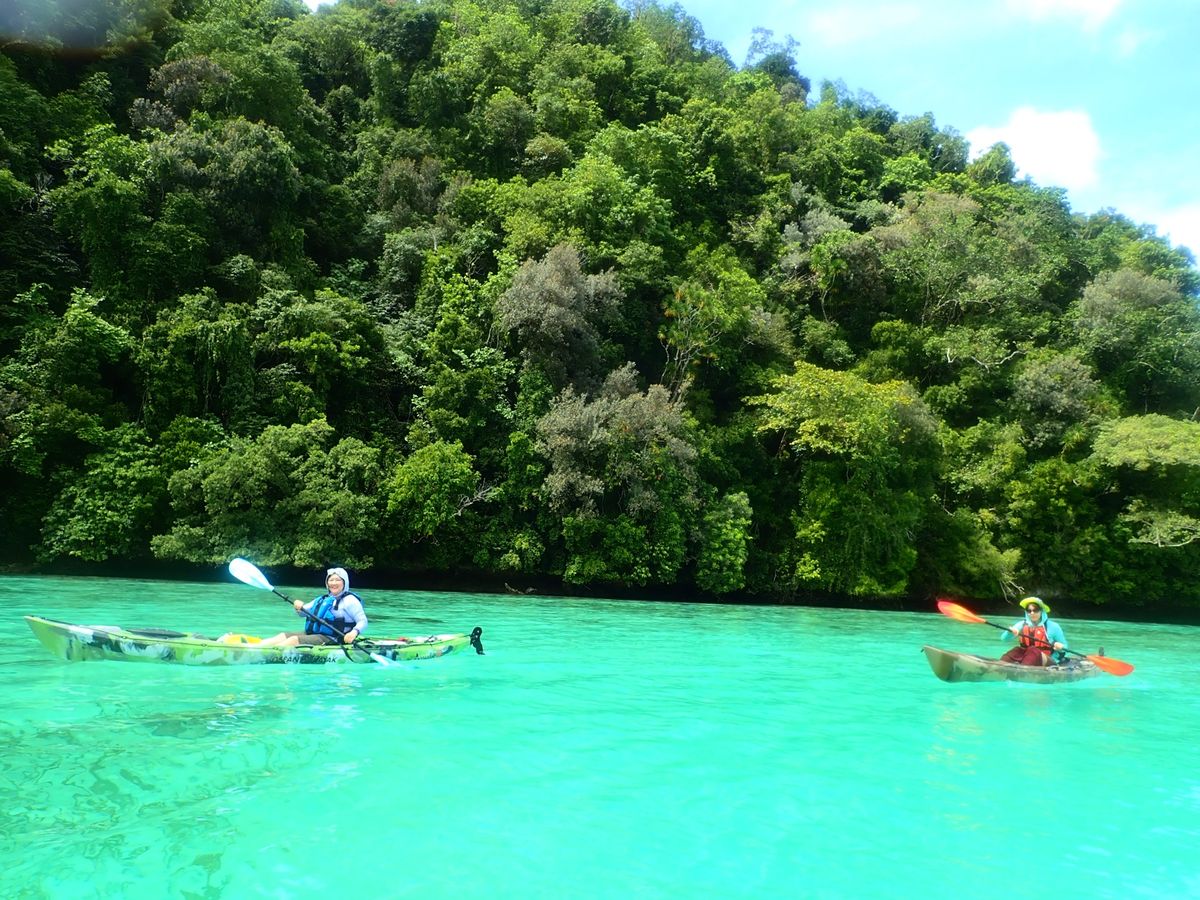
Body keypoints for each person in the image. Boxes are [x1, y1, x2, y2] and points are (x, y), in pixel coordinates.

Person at [255, 567, 368, 648]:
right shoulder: (323, 599)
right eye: (331, 580)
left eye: (338, 580)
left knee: (293, 640)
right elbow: (303, 612)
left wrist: (354, 633)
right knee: (282, 636)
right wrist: (298, 607)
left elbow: (363, 621)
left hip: (334, 638)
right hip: (315, 634)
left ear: (344, 583)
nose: (334, 583)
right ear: (327, 583)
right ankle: (253, 647)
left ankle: (264, 653)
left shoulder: (350, 600)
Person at [1000, 596, 1067, 666]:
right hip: (1027, 656)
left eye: (1036, 610)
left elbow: (1065, 647)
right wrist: (1009, 633)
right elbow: (1004, 639)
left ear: (1041, 611)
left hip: (1048, 659)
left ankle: (1024, 668)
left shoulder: (1053, 626)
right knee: (1017, 650)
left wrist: (1061, 647)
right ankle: (1000, 665)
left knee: (1033, 650)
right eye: (1029, 611)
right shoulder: (1021, 624)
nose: (1032, 613)